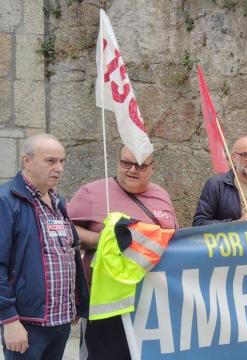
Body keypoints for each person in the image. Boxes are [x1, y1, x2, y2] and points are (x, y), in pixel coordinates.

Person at [68, 145, 178, 360]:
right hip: (107, 305)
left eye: (140, 165)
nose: (132, 170)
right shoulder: (92, 192)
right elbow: (66, 228)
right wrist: (102, 240)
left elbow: (174, 237)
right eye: (125, 163)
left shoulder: (161, 195)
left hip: (152, 303)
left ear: (153, 168)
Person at [0, 134, 89, 360]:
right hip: (27, 325)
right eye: (51, 161)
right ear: (26, 161)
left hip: (60, 322)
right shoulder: (6, 201)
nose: (59, 168)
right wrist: (9, 319)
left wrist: (77, 300)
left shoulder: (58, 202)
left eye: (62, 161)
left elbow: (67, 252)